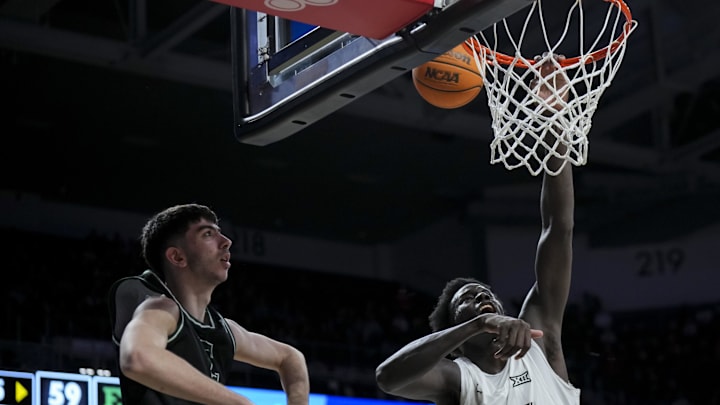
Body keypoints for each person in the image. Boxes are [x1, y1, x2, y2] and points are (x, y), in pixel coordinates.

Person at [375, 55, 580, 404]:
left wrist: (556, 124)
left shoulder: (539, 343)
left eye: (485, 292)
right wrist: (477, 325)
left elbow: (558, 228)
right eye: (467, 300)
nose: (483, 296)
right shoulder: (460, 378)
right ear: (457, 332)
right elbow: (388, 378)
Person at [108, 203, 310, 405]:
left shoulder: (223, 328)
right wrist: (239, 402)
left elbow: (290, 357)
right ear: (178, 257)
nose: (227, 242)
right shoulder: (159, 308)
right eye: (207, 234)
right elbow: (138, 358)